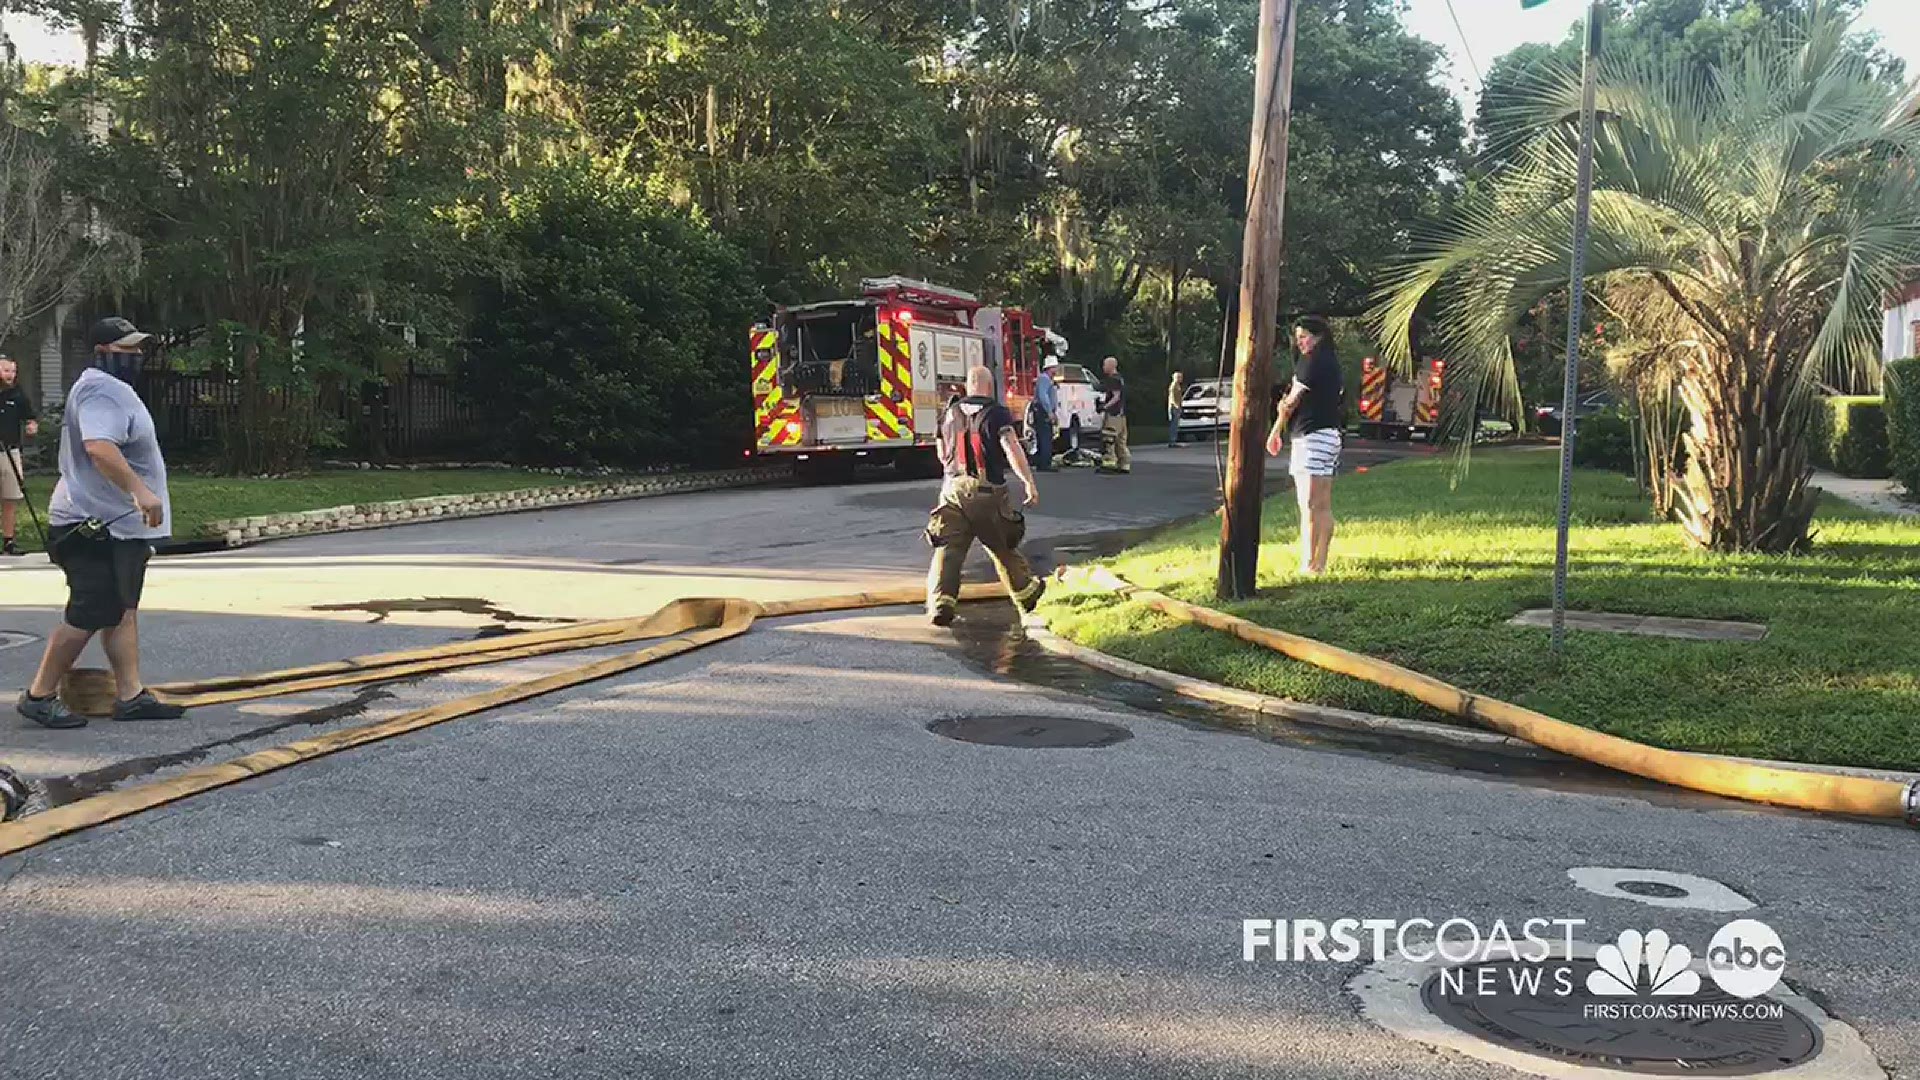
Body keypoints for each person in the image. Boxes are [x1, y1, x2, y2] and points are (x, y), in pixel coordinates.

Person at [17, 317, 186, 729]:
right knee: (90, 611)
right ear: (103, 352)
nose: (137, 356)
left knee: (122, 609)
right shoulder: (100, 388)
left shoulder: (111, 388)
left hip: (117, 525)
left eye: (138, 348)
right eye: (127, 349)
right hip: (94, 525)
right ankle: (39, 695)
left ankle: (130, 695)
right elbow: (99, 448)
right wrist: (140, 492)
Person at [926, 365, 1046, 627]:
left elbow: (940, 450)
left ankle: (940, 604)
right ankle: (1027, 595)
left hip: (951, 489)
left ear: (968, 386)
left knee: (948, 548)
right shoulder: (997, 414)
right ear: (989, 387)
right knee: (1002, 546)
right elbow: (1011, 447)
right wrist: (1029, 482)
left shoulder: (949, 412)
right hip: (986, 491)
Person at [1265, 316, 1345, 576]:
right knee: (1323, 505)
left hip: (1310, 437)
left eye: (1304, 336)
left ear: (1318, 336)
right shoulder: (1332, 364)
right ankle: (1320, 562)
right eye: (1298, 337)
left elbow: (1290, 404)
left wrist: (1275, 430)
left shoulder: (1309, 363)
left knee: (1308, 505)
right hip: (1330, 436)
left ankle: (1309, 564)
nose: (1300, 342)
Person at [0, 355, 39, 556]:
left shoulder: (17, 395)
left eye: (13, 371)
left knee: (10, 498)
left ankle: (9, 541)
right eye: (6, 371)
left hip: (10, 451)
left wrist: (32, 425)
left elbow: (30, 417)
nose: (11, 375)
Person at [1096, 356, 1130, 474]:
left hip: (1113, 414)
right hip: (1121, 414)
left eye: (1105, 365)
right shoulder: (1120, 379)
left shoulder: (1112, 379)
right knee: (1121, 441)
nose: (1103, 368)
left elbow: (1116, 396)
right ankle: (1124, 464)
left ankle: (1109, 464)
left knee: (1109, 439)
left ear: (1111, 366)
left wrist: (1104, 407)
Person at [1030, 357, 1060, 471]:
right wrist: (1049, 412)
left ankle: (1042, 462)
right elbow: (1043, 397)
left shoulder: (1047, 379)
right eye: (1054, 367)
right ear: (1049, 368)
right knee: (1045, 437)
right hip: (1043, 412)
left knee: (1045, 436)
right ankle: (1045, 464)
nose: (1056, 370)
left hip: (1044, 411)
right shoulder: (1044, 379)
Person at [1166, 370, 1185, 447]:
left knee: (1175, 425)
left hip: (1176, 406)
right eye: (1180, 377)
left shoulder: (1177, 385)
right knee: (1174, 425)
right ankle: (1172, 441)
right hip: (1174, 408)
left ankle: (1173, 440)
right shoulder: (1174, 386)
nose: (1181, 378)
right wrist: (1177, 406)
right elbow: (1173, 398)